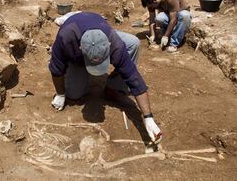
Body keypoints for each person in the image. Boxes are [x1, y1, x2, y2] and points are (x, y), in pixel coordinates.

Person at [48, 12, 162, 143]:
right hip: (76, 47)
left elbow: (134, 79)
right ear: (80, 48)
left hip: (100, 28)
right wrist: (60, 94)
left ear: (108, 46)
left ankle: (114, 86)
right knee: (73, 95)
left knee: (133, 43)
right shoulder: (65, 39)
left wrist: (148, 118)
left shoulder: (115, 44)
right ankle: (77, 70)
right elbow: (56, 70)